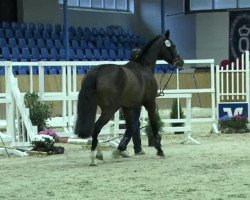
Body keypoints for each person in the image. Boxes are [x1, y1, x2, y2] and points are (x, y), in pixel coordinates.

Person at [112, 49, 145, 158]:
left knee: (136, 123)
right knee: (134, 123)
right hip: (134, 100)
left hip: (127, 99)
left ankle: (138, 148)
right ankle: (122, 146)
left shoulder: (127, 69)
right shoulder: (138, 71)